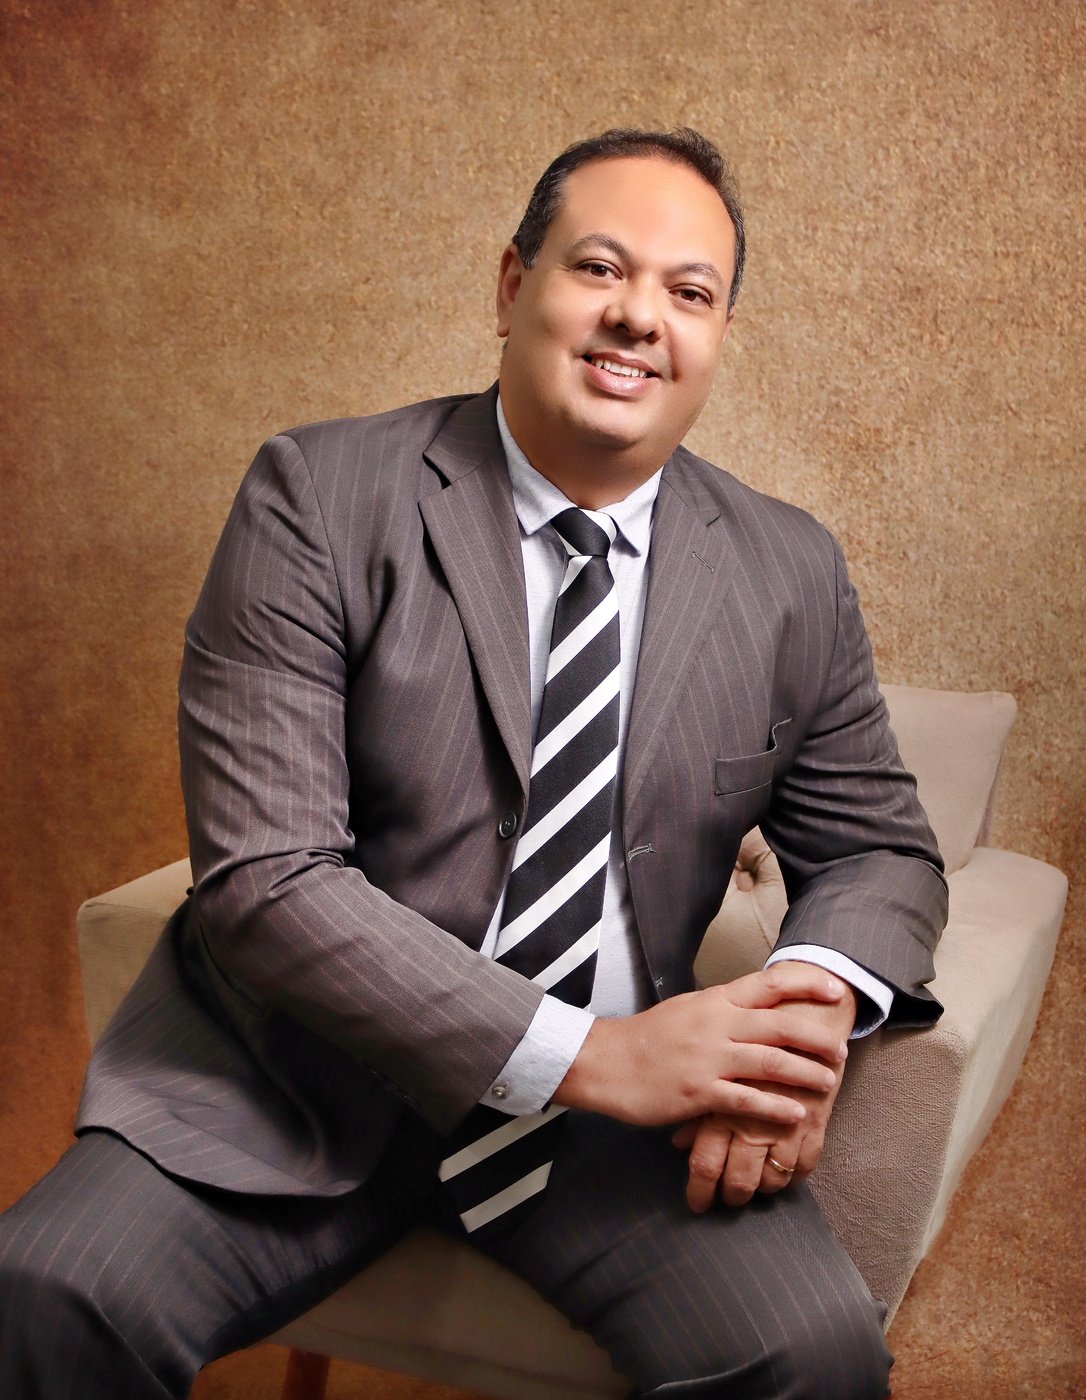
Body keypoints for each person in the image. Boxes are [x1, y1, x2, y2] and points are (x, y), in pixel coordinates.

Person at [0, 128, 947, 1399]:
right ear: (512, 285)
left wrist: (803, 1008)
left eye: (689, 290)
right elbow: (268, 879)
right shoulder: (317, 495)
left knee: (814, 1359)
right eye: (598, 267)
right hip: (298, 1077)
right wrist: (597, 1053)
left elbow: (880, 847)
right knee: (43, 1289)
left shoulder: (788, 569)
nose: (639, 316)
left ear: (720, 334)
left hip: (612, 1135)